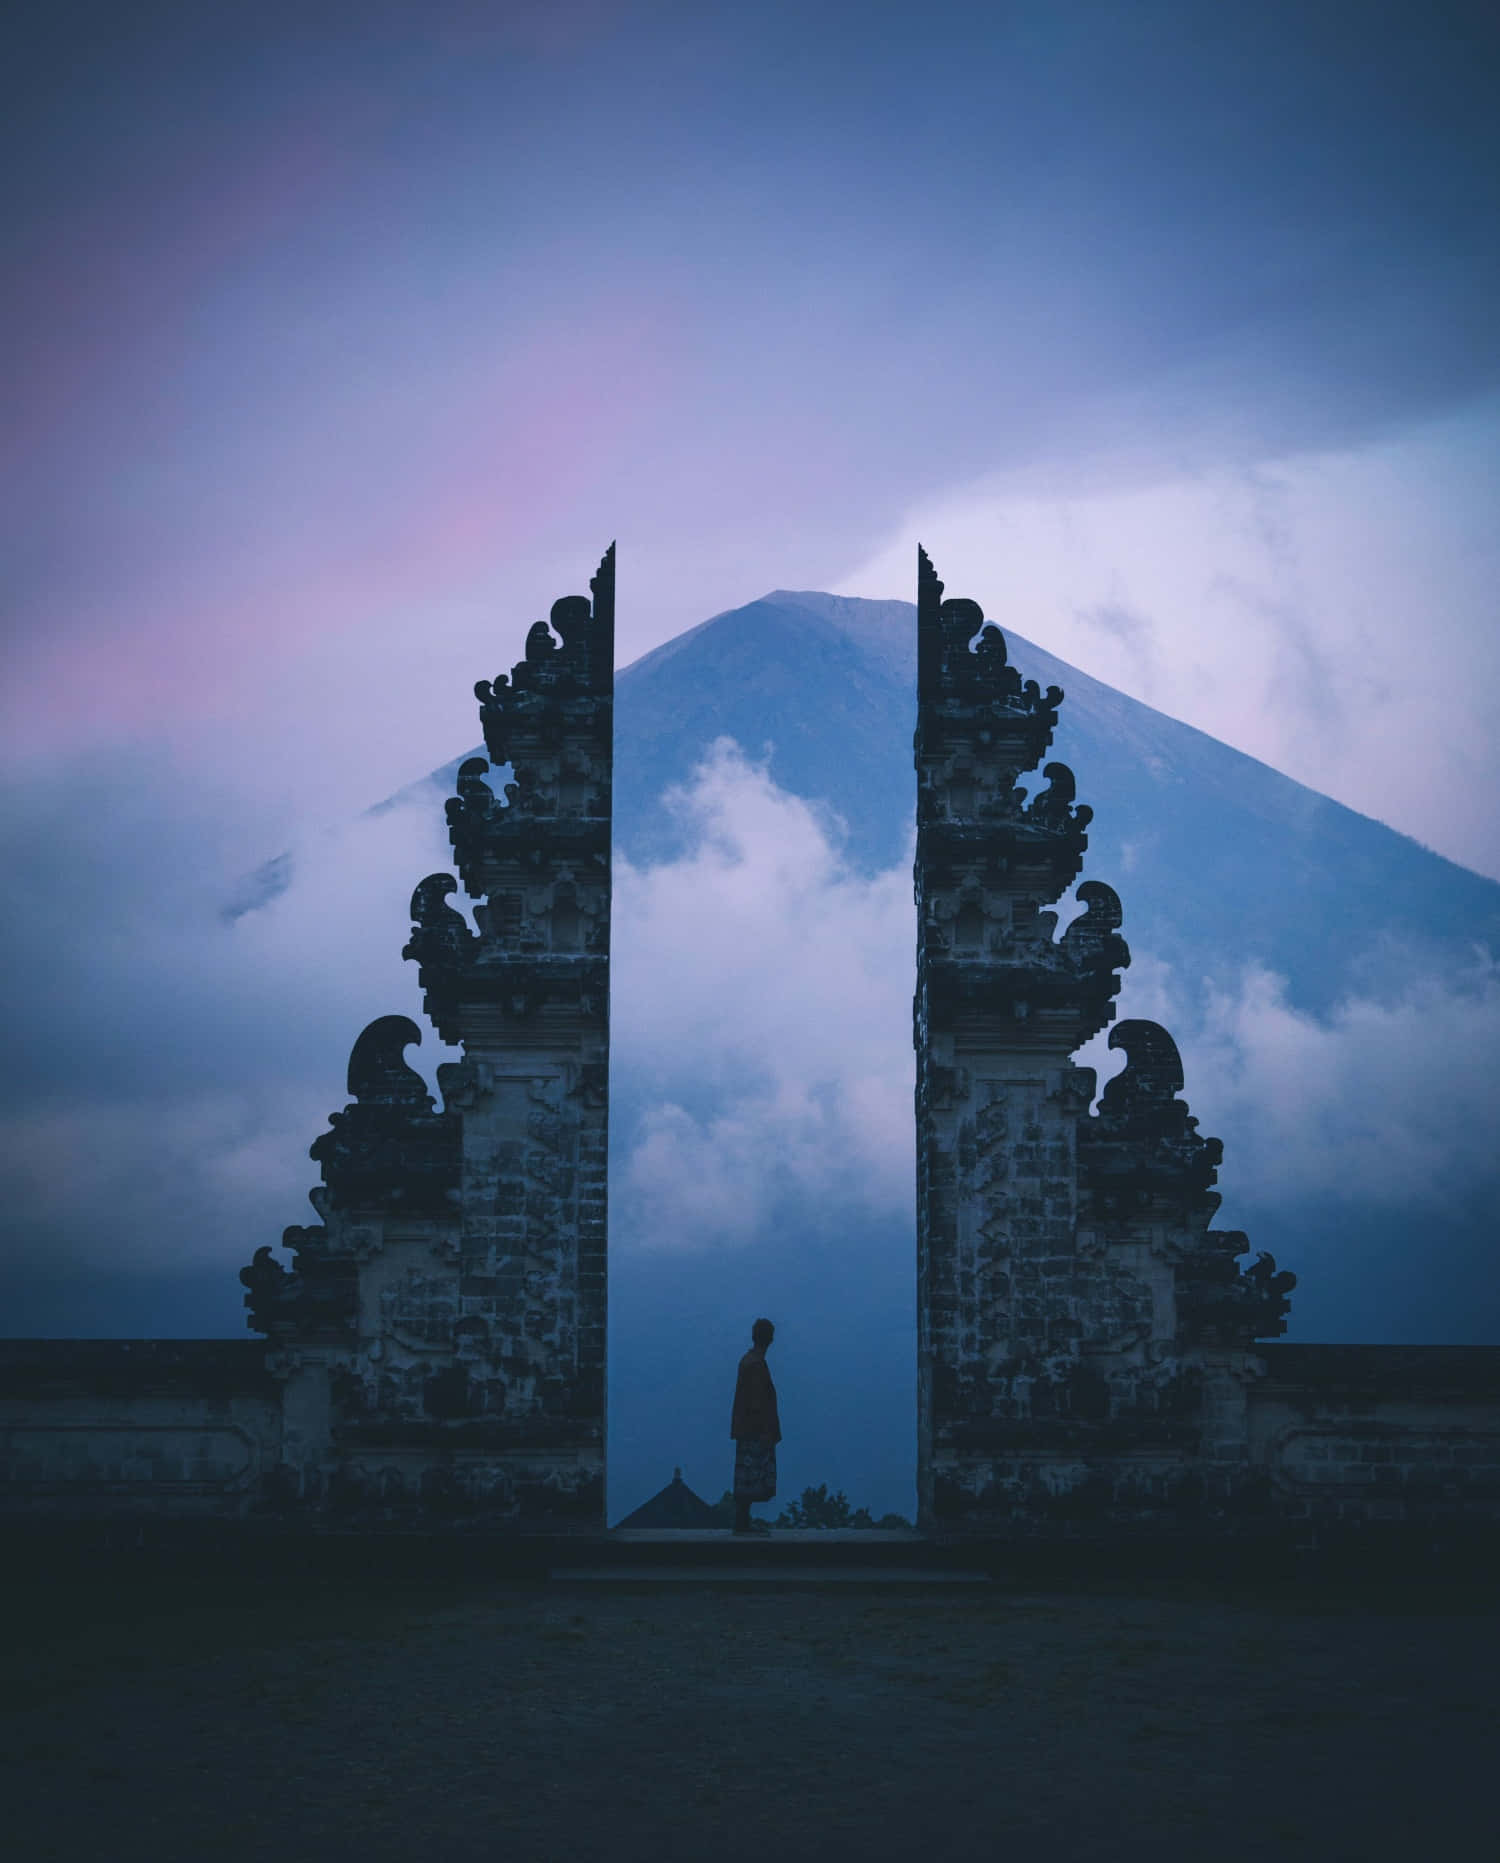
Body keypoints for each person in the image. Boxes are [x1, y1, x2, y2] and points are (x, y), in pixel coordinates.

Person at [730, 1317, 780, 1535]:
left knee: (747, 1476)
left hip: (747, 1427)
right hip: (755, 1430)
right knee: (751, 1476)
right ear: (770, 1339)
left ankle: (743, 1521)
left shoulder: (749, 1361)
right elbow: (757, 1401)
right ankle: (742, 1523)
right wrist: (765, 1430)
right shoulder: (756, 1364)